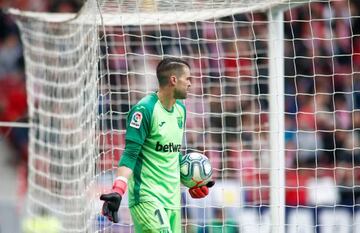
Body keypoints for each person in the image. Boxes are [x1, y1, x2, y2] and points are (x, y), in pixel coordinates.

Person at [99, 57, 214, 232]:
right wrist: (118, 190)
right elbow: (130, 154)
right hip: (147, 198)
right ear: (173, 80)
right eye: (188, 79)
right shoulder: (144, 110)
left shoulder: (180, 110)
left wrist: (193, 181)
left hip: (172, 201)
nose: (190, 83)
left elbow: (171, 155)